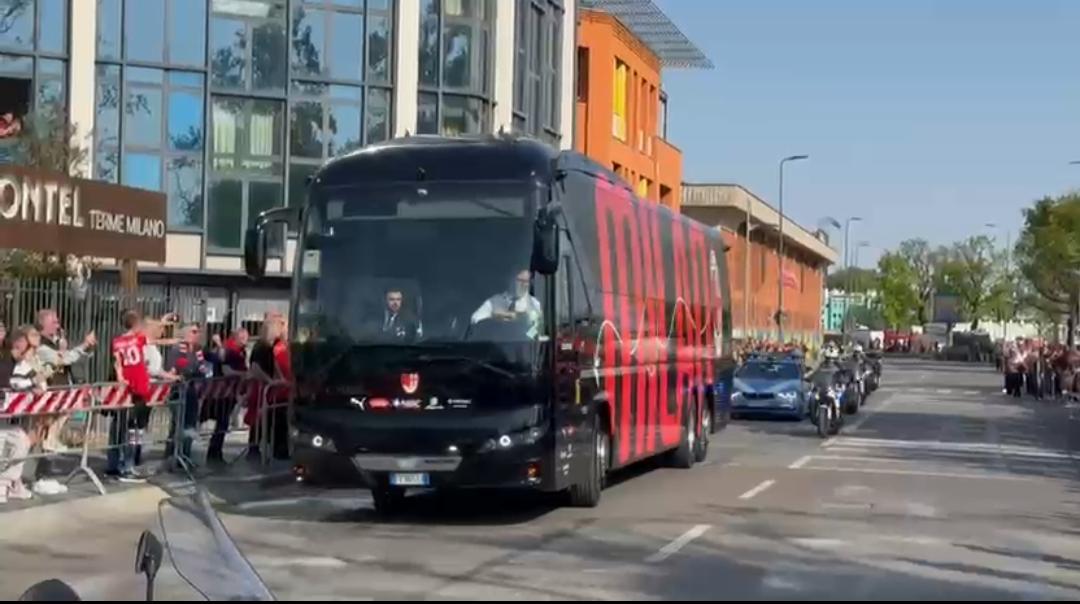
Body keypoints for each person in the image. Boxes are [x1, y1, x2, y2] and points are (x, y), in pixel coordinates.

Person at [107, 310, 172, 482]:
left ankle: (122, 463)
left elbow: (117, 362)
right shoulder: (137, 339)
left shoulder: (118, 342)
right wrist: (164, 325)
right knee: (132, 429)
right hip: (139, 387)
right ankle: (127, 465)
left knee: (125, 428)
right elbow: (154, 339)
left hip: (129, 387)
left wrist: (120, 378)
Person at [0, 328, 40, 503]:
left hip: (6, 411)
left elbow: (18, 380)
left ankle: (9, 483)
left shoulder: (11, 358)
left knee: (20, 441)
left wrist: (33, 384)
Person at [164, 324, 212, 467]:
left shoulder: (197, 350)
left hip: (192, 392)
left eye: (198, 332)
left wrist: (205, 374)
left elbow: (203, 368)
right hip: (178, 391)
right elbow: (174, 369)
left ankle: (185, 454)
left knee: (190, 424)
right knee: (179, 425)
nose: (196, 334)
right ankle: (173, 455)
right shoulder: (178, 349)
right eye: (193, 332)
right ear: (184, 333)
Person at [470, 269, 543, 339]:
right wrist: (495, 316)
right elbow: (475, 320)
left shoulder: (534, 304)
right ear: (511, 279)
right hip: (497, 344)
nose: (524, 285)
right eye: (520, 280)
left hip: (523, 347)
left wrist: (526, 334)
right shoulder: (495, 301)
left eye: (527, 281)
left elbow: (539, 327)